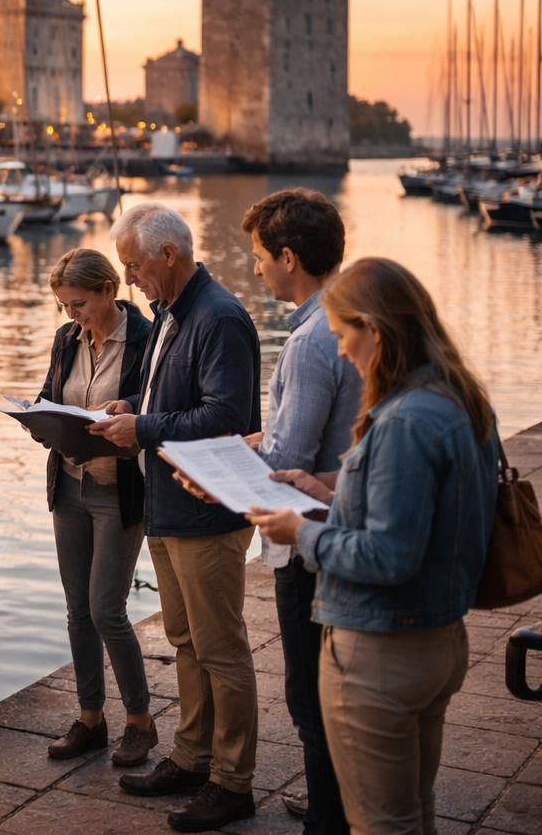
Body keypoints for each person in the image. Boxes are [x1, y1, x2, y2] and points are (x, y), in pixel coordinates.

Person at [249, 258, 498, 835]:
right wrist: (325, 489)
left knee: (381, 825)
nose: (339, 352)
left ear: (376, 332)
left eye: (342, 336)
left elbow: (389, 555)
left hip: (382, 651)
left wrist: (300, 532)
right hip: (436, 638)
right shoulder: (457, 399)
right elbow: (418, 510)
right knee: (413, 815)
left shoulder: (403, 420)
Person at [88, 203, 262, 832]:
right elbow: (172, 397)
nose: (129, 279)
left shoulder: (220, 318)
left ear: (168, 255)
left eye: (133, 266)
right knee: (186, 641)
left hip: (207, 511)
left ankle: (232, 781)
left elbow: (225, 419)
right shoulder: (169, 314)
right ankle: (192, 757)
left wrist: (144, 426)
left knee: (222, 647)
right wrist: (132, 403)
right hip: (167, 504)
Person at [235, 189, 360, 835]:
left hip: (309, 538)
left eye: (260, 257)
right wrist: (257, 441)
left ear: (288, 257)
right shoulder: (352, 316)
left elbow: (292, 453)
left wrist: (222, 464)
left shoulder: (311, 338)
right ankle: (334, 806)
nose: (255, 270)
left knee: (309, 700)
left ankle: (327, 822)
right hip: (344, 522)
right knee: (335, 695)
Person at [35, 248, 158, 767]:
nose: (72, 316)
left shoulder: (148, 340)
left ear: (110, 289)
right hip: (69, 486)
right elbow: (48, 395)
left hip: (118, 491)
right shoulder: (67, 339)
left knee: (107, 609)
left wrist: (126, 411)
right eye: (65, 306)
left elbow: (157, 412)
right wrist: (42, 420)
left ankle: (140, 720)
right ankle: (90, 718)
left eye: (79, 304)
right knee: (77, 611)